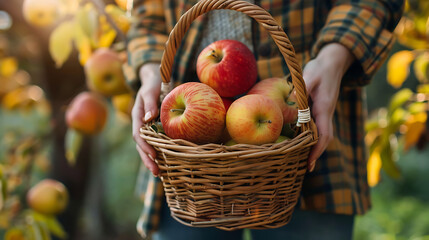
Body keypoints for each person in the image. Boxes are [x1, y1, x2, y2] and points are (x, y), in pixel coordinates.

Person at [126, 0, 404, 239]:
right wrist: (151, 75)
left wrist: (333, 60)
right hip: (185, 164)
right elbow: (146, 16)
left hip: (309, 119)